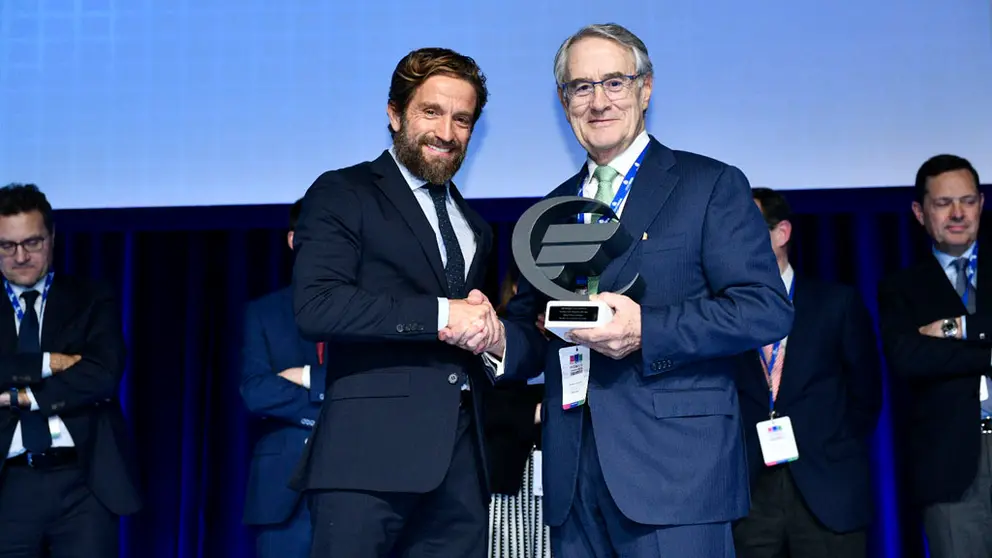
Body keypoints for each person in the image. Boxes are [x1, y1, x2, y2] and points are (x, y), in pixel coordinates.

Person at [444, 23, 793, 558]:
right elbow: (535, 329)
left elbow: (764, 310)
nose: (598, 101)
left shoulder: (710, 185)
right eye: (581, 87)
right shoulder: (550, 210)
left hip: (676, 477)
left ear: (645, 89)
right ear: (564, 103)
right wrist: (493, 336)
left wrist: (644, 330)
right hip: (571, 480)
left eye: (614, 82)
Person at [290, 47, 497, 557]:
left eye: (462, 119)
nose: (447, 132)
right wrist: (444, 313)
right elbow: (317, 306)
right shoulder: (344, 192)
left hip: (461, 470)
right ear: (394, 113)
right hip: (366, 463)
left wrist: (490, 335)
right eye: (431, 112)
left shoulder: (477, 227)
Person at [733, 188, 882, 558]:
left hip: (826, 490)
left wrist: (830, 442)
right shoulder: (722, 313)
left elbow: (866, 394)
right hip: (750, 497)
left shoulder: (836, 304)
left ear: (781, 233)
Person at [0, 183, 141, 557]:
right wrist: (49, 363)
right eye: (7, 246)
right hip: (7, 484)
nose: (20, 256)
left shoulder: (91, 297)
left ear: (52, 238)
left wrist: (22, 396)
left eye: (32, 242)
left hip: (83, 483)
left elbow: (103, 373)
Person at [877, 154, 992, 557]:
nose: (958, 213)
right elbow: (909, 358)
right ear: (920, 212)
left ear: (980, 203)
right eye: (944, 203)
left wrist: (954, 330)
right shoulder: (901, 287)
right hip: (950, 466)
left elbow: (933, 354)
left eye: (967, 201)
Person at [240, 198, 325, 558]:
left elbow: (375, 385)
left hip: (355, 486)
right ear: (293, 240)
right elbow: (255, 390)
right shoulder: (263, 312)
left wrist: (308, 377)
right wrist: (329, 405)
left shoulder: (371, 310)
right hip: (282, 491)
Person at [483, 266, 551, 558]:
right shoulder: (497, 337)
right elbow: (485, 406)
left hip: (557, 472)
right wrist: (537, 412)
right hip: (510, 475)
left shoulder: (579, 343)